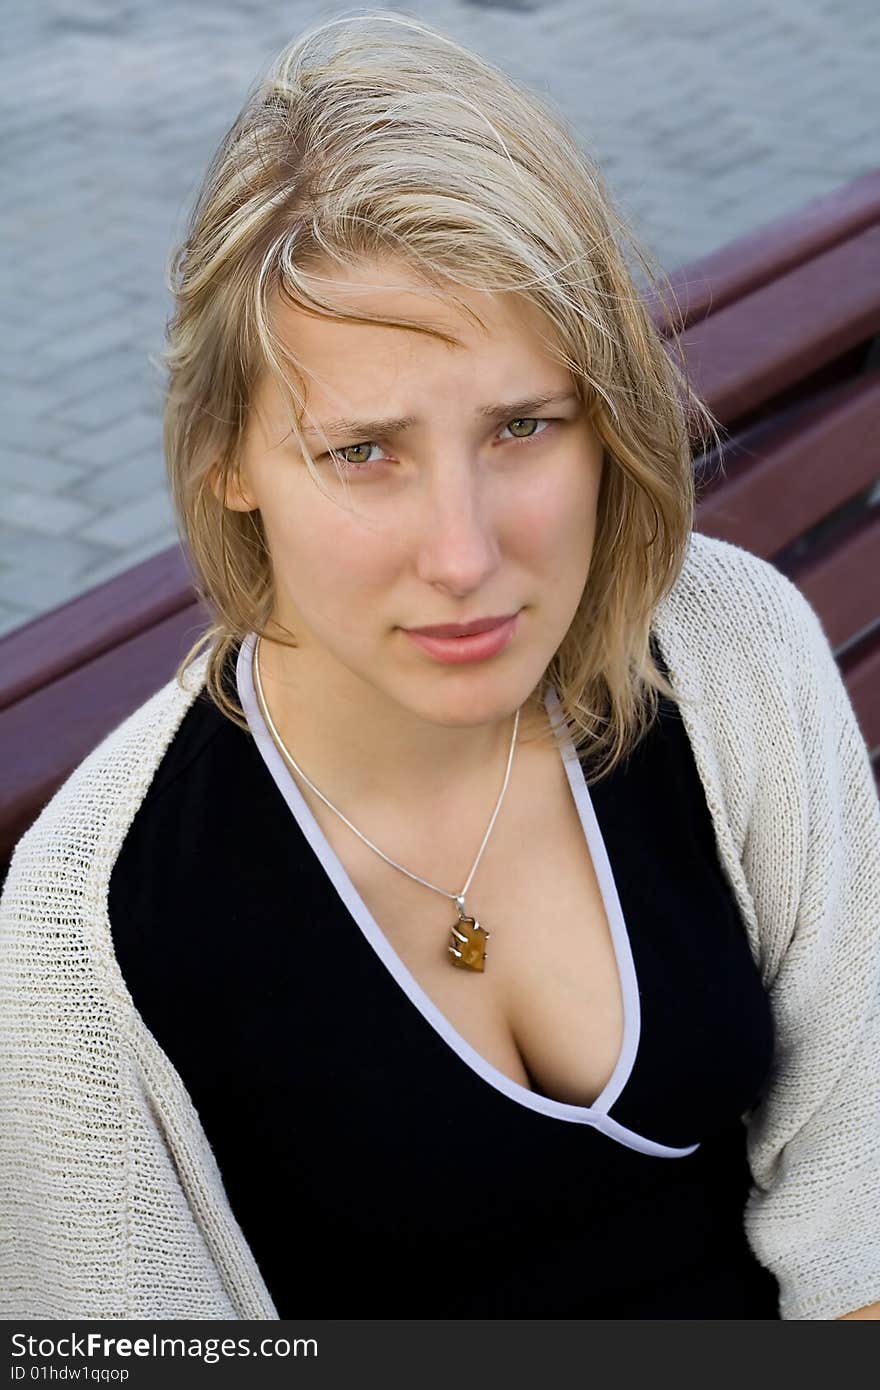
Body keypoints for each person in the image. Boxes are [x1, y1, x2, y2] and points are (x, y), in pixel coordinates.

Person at [1, 10, 879, 1322]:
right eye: (365, 451)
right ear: (228, 463)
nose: (464, 554)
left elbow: (860, 1219)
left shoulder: (727, 648)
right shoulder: (93, 928)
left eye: (524, 425)